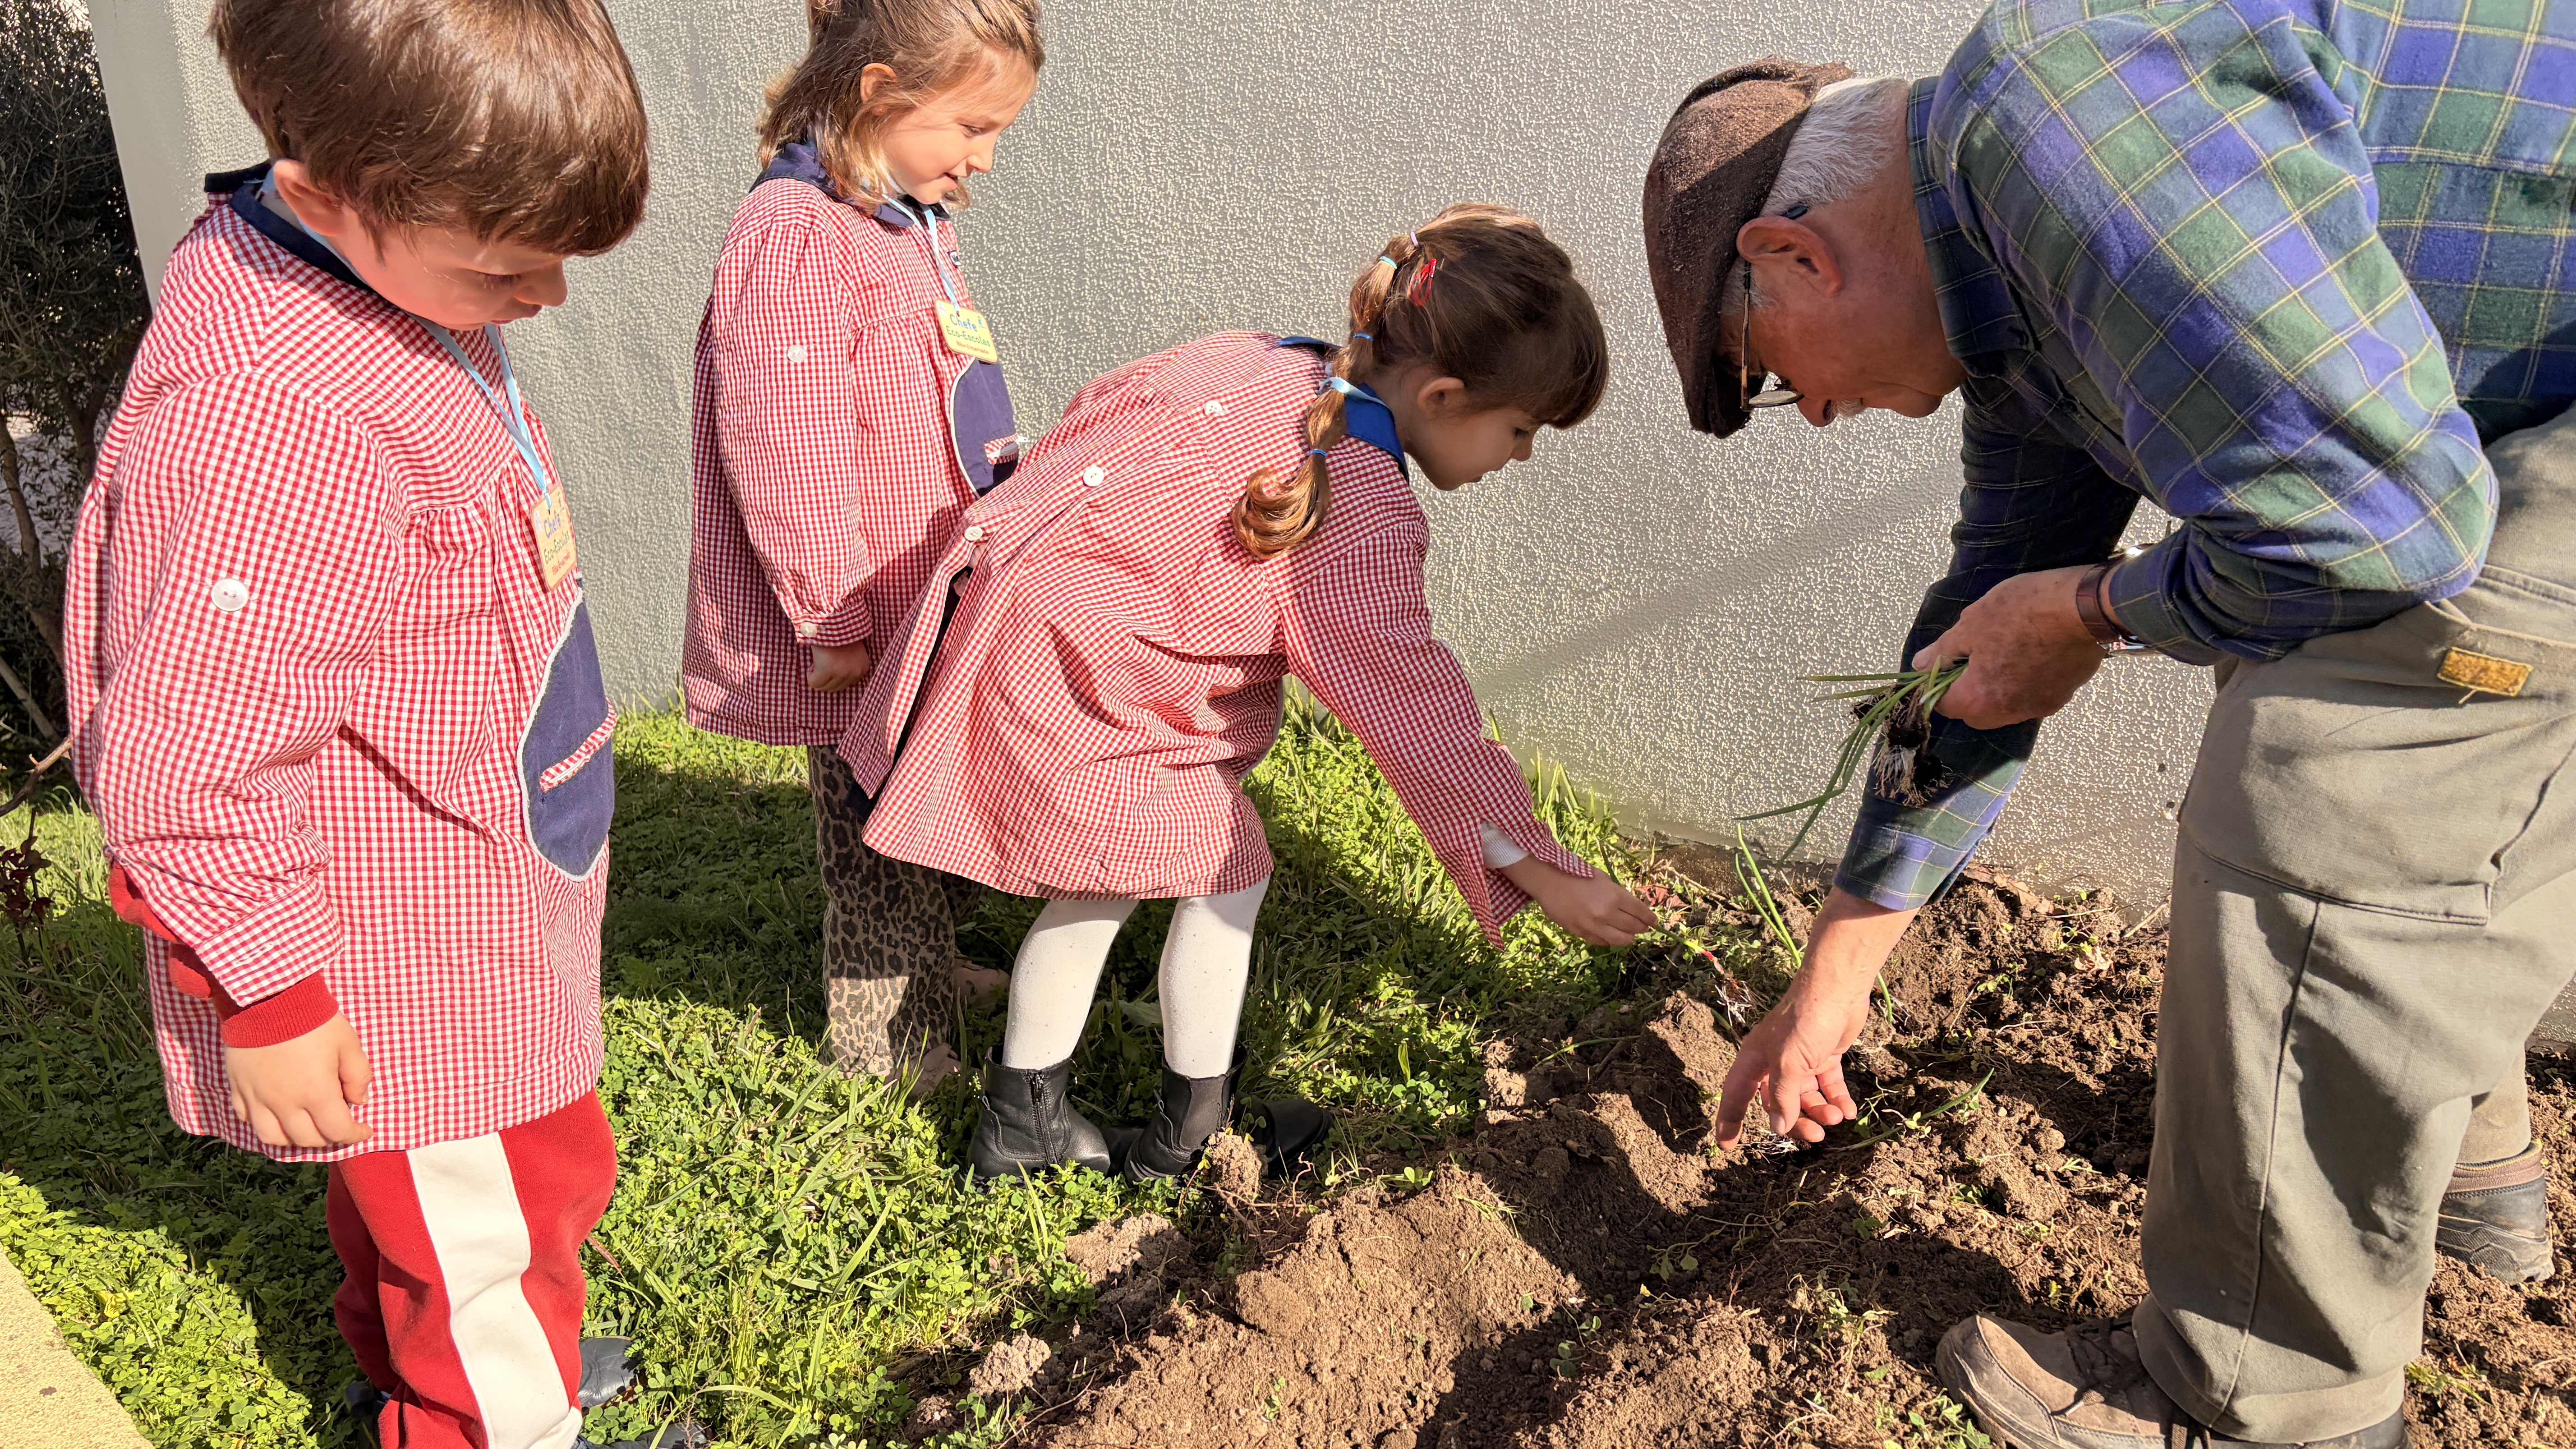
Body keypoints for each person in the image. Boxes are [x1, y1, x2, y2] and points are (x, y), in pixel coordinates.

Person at [1640, 6, 2575, 1443]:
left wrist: (2094, 608)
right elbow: (1973, 640)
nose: (1813, 414)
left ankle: (2265, 1402)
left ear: (1791, 256)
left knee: (2327, 761)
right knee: (2320, 637)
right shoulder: (2018, 287)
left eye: (1771, 375)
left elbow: (2385, 533)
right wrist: (1837, 973)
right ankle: (2471, 1162)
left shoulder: (2052, 123)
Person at [62, 3, 677, 1446]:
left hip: (467, 867)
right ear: (333, 186)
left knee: (497, 1186)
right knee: (479, 1200)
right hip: (402, 953)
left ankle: (454, 1346)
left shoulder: (373, 264)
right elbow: (189, 753)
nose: (547, 299)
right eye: (506, 267)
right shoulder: (276, 412)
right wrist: (268, 996)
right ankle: (488, 1408)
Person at [842, 205, 1660, 1182]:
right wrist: (1533, 858)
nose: (1520, 456)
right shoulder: (1358, 504)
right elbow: (1415, 710)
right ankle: (1189, 1139)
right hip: (1104, 683)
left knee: (1106, 885)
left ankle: (1027, 1121)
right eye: (1521, 430)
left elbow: (1097, 418)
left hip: (1035, 635)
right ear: (1443, 394)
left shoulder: (1258, 358)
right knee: (1224, 869)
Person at [683, 0, 1044, 1089]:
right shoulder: (795, 235)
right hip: (862, 613)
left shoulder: (905, 218)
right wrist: (830, 612)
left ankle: (933, 960)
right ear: (881, 94)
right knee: (876, 826)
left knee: (933, 793)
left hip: (926, 593)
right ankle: (890, 1045)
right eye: (972, 129)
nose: (983, 161)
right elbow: (785, 444)